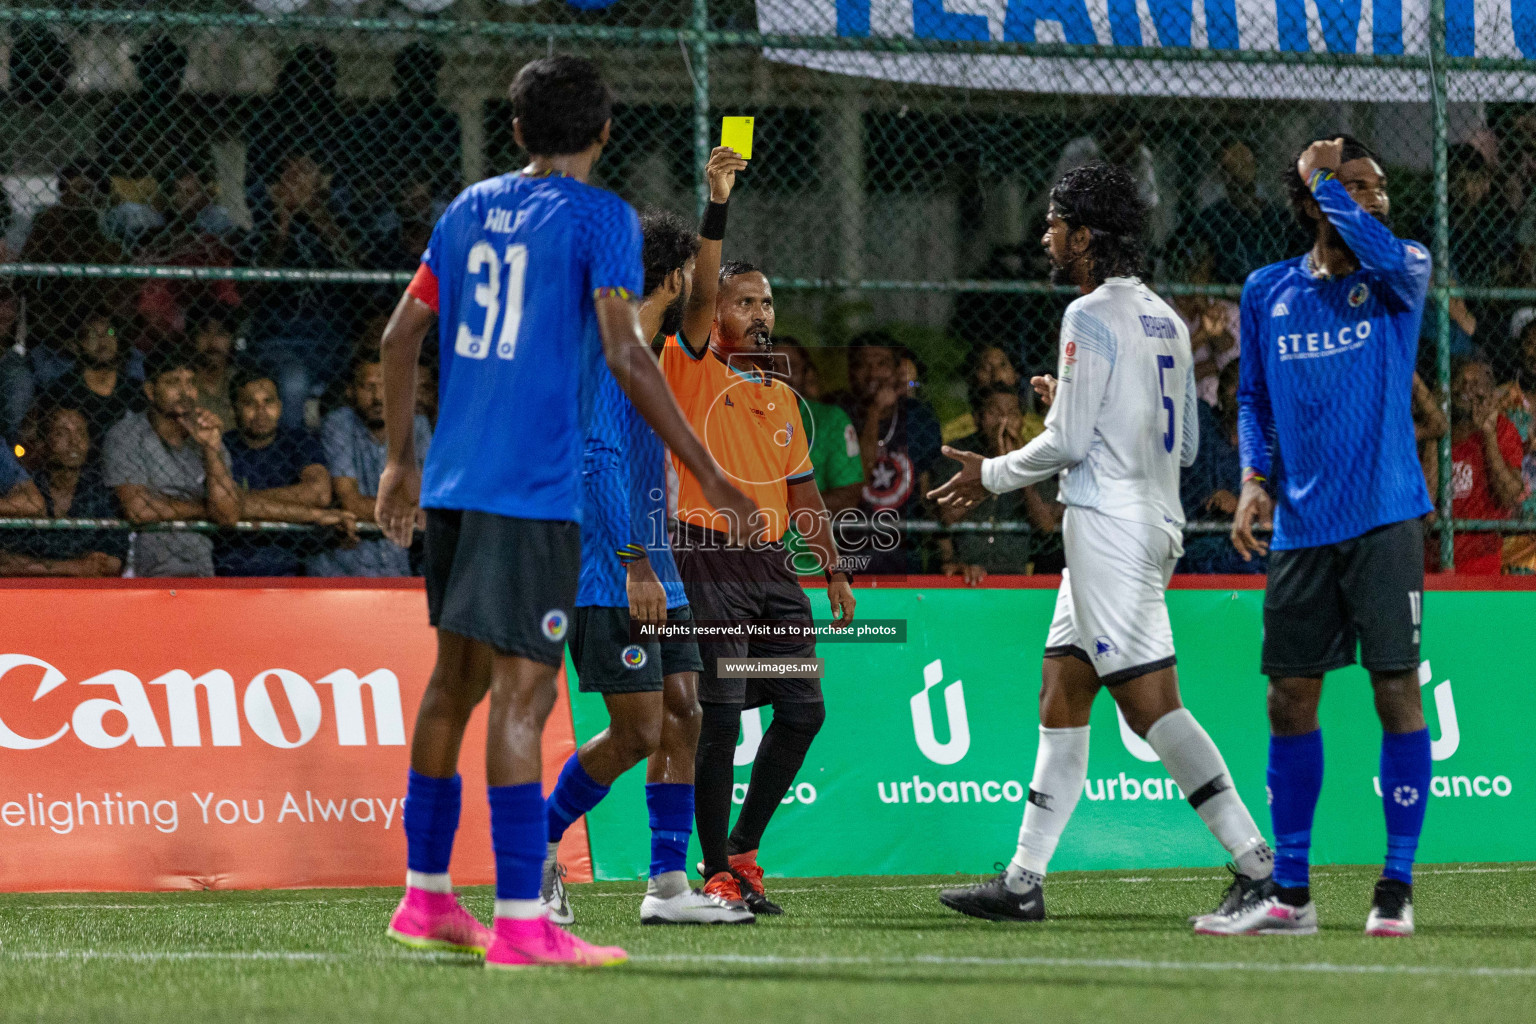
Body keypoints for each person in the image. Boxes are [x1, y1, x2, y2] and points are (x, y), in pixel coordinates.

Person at [370, 56, 754, 969]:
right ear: (607, 132)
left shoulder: (466, 210)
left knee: (450, 683)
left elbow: (397, 337)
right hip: (532, 495)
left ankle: (425, 898)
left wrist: (396, 461)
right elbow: (626, 356)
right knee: (522, 697)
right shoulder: (600, 219)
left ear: (512, 131)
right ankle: (521, 918)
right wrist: (710, 468)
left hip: (453, 483)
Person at [928, 162, 1274, 929]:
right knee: (1063, 691)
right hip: (1151, 520)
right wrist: (1086, 408)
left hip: (1107, 530)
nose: (1046, 234)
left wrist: (988, 471)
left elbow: (1068, 444)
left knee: (1154, 706)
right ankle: (1023, 879)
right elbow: (1183, 447)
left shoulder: (1087, 314)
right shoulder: (1168, 320)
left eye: (1055, 222)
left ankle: (1259, 867)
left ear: (1086, 237)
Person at [1221, 136, 1435, 937]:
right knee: (1288, 700)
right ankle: (1293, 897)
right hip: (1301, 529)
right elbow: (1252, 399)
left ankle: (1396, 886)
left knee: (1395, 692)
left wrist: (1324, 176)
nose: (1374, 199)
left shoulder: (1399, 273)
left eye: (1378, 188)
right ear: (1313, 205)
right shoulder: (1267, 291)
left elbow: (1376, 241)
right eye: (1355, 187)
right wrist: (1252, 479)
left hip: (1384, 517)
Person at [539, 181, 755, 928]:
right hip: (613, 576)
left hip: (663, 573)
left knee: (686, 713)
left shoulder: (652, 349)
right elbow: (598, 464)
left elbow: (698, 305)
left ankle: (667, 888)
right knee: (637, 731)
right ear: (670, 277)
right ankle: (536, 846)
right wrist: (634, 564)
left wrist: (716, 207)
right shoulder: (609, 352)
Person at [660, 243, 855, 912]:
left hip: (774, 569)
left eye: (767, 301)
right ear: (712, 313)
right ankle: (715, 870)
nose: (761, 313)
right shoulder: (689, 370)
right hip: (706, 556)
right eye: (745, 301)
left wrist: (833, 571)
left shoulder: (781, 398)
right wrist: (719, 197)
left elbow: (804, 497)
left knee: (804, 709)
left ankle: (743, 849)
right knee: (718, 720)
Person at [103, 345, 242, 578]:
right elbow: (139, 510)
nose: (184, 391)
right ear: (150, 391)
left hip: (200, 566)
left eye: (190, 383)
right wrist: (205, 508)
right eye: (173, 382)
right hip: (143, 566)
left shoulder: (209, 435)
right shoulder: (125, 435)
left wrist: (210, 447)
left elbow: (228, 514)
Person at [219, 369, 354, 577]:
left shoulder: (298, 441)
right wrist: (307, 510)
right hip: (230, 565)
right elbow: (224, 506)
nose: (261, 412)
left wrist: (243, 501)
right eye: (249, 404)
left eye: (268, 402)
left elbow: (319, 493)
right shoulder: (221, 447)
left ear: (280, 407)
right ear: (233, 410)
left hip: (291, 564)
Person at [307, 356, 430, 578]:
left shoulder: (416, 425)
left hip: (397, 565)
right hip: (344, 569)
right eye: (368, 387)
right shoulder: (340, 424)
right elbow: (350, 502)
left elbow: (426, 500)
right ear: (351, 392)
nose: (378, 398)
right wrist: (407, 510)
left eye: (386, 386)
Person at [837, 335, 942, 573]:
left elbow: (928, 490)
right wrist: (875, 411)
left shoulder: (919, 418)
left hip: (904, 548)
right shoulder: (838, 413)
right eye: (863, 364)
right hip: (850, 547)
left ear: (897, 371)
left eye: (882, 364)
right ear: (851, 373)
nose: (873, 373)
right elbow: (856, 474)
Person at [937, 382, 1062, 581]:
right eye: (994, 412)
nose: (1003, 421)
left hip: (1014, 571)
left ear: (1022, 421)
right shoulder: (957, 454)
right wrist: (993, 469)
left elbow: (1045, 524)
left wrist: (1017, 469)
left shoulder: (1036, 457)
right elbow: (948, 515)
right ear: (977, 418)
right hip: (965, 570)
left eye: (1012, 413)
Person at [1419, 358, 1524, 575]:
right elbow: (1426, 499)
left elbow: (1509, 495)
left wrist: (1488, 435)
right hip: (1431, 557)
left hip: (1480, 556)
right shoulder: (1426, 434)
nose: (1467, 388)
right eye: (1461, 381)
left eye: (1476, 383)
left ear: (1490, 392)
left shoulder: (1502, 429)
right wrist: (1434, 433)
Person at [0, 405, 124, 577]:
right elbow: (5, 561)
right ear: (43, 442)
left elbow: (113, 559)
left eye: (80, 433)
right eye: (61, 433)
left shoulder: (101, 491)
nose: (73, 442)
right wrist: (71, 566)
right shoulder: (25, 489)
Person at [776, 336, 864, 576]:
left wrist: (778, 507)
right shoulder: (733, 415)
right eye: (771, 364)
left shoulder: (830, 419)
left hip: (810, 560)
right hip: (747, 557)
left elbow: (849, 493)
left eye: (791, 366)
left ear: (806, 374)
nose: (781, 372)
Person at [1178, 362, 1261, 574]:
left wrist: (1240, 505)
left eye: (1247, 384)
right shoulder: (1204, 423)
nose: (1240, 392)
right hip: (1197, 538)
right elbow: (1173, 391)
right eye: (1232, 384)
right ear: (1220, 393)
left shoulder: (1272, 439)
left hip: (1253, 539)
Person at [35, 311, 145, 447]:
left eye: (109, 332)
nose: (102, 339)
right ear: (75, 345)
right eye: (92, 335)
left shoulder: (134, 389)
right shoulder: (62, 391)